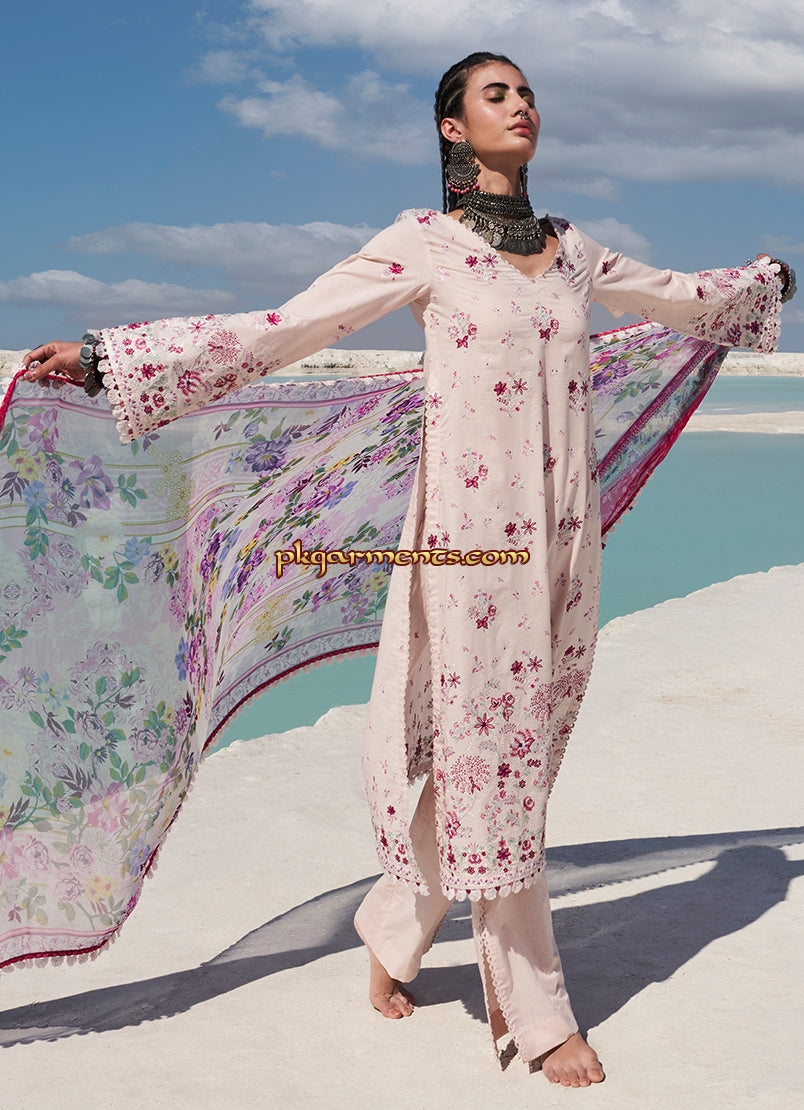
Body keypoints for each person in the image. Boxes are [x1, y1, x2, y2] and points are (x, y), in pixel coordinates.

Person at [23, 51, 793, 1088]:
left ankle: (394, 923)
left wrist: (762, 283)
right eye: (496, 94)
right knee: (497, 754)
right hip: (472, 548)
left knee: (515, 752)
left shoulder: (574, 251)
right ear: (451, 129)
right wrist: (113, 358)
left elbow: (681, 298)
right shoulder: (423, 243)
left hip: (566, 544)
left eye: (526, 93)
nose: (521, 106)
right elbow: (286, 329)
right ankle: (537, 1008)